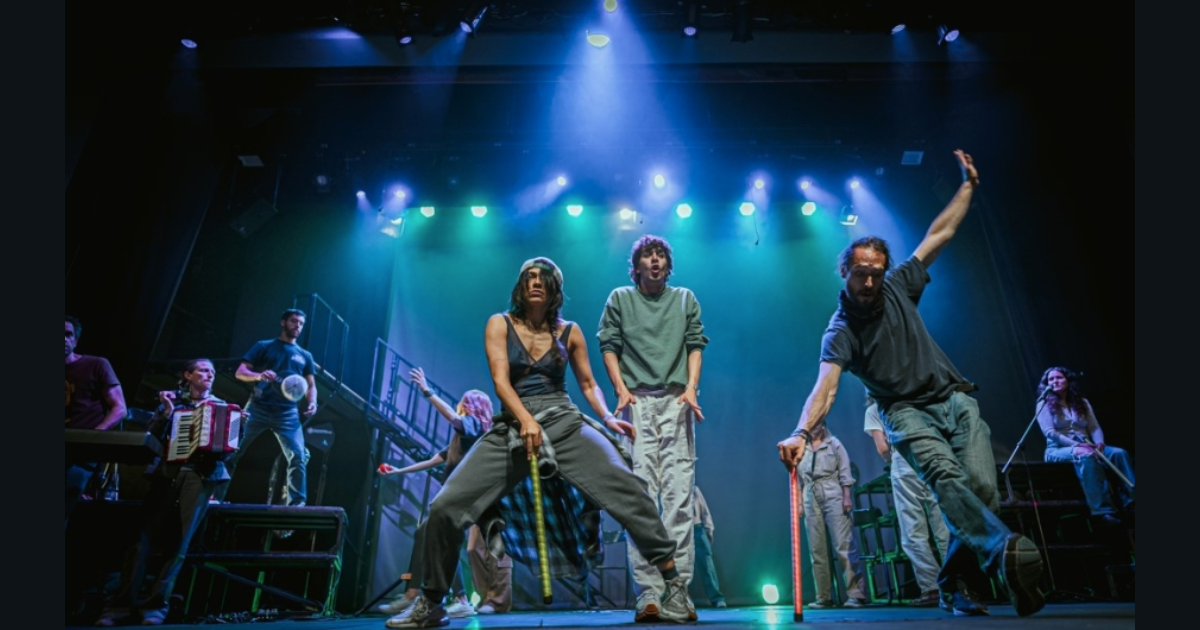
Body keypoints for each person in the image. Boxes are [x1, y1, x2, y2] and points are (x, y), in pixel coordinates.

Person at [776, 150, 1047, 618]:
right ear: (845, 272)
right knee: (945, 478)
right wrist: (801, 431)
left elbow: (938, 235)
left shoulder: (899, 286)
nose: (869, 283)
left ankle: (956, 580)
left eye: (875, 274)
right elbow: (827, 387)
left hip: (955, 399)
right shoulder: (841, 331)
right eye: (860, 274)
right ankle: (1004, 553)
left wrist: (967, 187)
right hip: (904, 412)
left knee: (982, 490)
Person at [384, 257, 696, 628]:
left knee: (629, 488)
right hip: (512, 426)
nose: (535, 282)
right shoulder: (499, 323)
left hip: (564, 421)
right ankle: (432, 602)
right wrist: (526, 420)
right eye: (529, 277)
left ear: (554, 289)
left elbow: (587, 384)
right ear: (520, 286)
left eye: (543, 278)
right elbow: (500, 381)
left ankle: (674, 585)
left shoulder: (570, 332)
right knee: (444, 507)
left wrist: (607, 417)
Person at [597, 234, 709, 622]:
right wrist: (620, 389)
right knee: (641, 498)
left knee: (679, 498)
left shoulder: (684, 298)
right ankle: (647, 591)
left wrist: (692, 388)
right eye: (648, 255)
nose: (655, 260)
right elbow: (608, 345)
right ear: (637, 265)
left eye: (661, 254)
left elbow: (695, 344)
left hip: (677, 401)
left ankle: (677, 590)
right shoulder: (620, 299)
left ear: (668, 264)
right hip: (638, 402)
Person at [94, 359, 232, 626]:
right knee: (142, 541)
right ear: (188, 375)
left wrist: (236, 428)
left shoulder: (221, 407)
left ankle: (155, 606)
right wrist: (166, 413)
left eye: (212, 372)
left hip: (201, 476)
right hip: (167, 472)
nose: (210, 375)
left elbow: (226, 452)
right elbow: (152, 437)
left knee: (179, 544)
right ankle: (120, 606)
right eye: (204, 370)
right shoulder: (172, 402)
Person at [376, 367, 510, 618]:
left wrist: (428, 392)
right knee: (427, 534)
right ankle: (420, 595)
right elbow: (433, 460)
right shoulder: (461, 438)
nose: (461, 406)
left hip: (472, 499)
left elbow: (455, 419)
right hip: (461, 499)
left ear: (472, 407)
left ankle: (459, 598)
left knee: (481, 547)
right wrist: (398, 471)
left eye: (465, 403)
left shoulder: (474, 428)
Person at [217, 308, 317, 509]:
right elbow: (240, 372)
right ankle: (214, 497)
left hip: (288, 413)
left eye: (301, 324)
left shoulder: (305, 355)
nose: (297, 326)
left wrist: (312, 402)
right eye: (294, 321)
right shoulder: (264, 346)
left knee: (298, 456)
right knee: (230, 451)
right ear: (283, 322)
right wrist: (259, 376)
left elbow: (311, 385)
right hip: (257, 407)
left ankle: (297, 505)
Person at [864, 398, 949, 607]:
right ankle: (955, 585)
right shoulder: (914, 399)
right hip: (933, 455)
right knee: (944, 526)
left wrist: (892, 459)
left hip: (904, 460)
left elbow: (882, 448)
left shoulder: (874, 409)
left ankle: (931, 588)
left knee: (913, 530)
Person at [1035, 367, 1135, 526]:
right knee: (1086, 455)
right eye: (1051, 379)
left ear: (1067, 380)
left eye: (1059, 377)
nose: (1055, 381)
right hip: (1058, 449)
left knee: (1119, 453)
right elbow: (1050, 433)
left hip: (1088, 444)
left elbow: (1094, 427)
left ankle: (1131, 501)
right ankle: (1103, 511)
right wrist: (1077, 445)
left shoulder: (1082, 402)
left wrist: (1099, 442)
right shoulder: (1043, 404)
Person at [795, 423, 868, 609]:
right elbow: (798, 479)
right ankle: (824, 597)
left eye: (817, 424)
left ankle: (856, 594)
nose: (814, 428)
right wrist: (800, 503)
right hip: (810, 494)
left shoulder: (834, 444)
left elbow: (845, 471)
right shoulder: (802, 448)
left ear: (823, 426)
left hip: (832, 491)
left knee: (844, 544)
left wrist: (846, 497)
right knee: (817, 549)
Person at [66, 315, 128, 524]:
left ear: (75, 340)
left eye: (68, 335)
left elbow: (119, 408)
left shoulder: (96, 364)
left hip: (79, 454)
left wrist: (95, 435)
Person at [691, 486, 726, 608]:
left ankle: (717, 598)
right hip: (678, 530)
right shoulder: (669, 487)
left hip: (696, 528)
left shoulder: (694, 489)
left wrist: (709, 529)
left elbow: (704, 511)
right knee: (677, 567)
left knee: (707, 565)